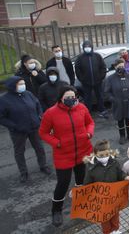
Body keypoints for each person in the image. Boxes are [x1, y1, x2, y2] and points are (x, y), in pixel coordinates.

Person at [39, 86, 94, 227]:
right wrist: (57, 143)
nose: (71, 99)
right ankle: (56, 211)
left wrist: (89, 133)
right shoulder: (51, 113)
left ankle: (81, 203)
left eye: (73, 96)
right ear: (61, 98)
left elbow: (90, 123)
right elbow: (43, 133)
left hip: (83, 151)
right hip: (63, 154)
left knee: (81, 180)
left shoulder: (82, 108)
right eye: (67, 97)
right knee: (62, 184)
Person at [0, 76, 50, 183]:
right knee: (19, 151)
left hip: (34, 127)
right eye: (20, 84)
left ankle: (43, 165)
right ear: (13, 85)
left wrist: (40, 116)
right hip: (18, 131)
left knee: (39, 147)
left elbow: (38, 105)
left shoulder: (28, 94)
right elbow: (2, 117)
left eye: (23, 83)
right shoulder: (4, 99)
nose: (23, 86)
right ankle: (23, 172)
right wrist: (14, 126)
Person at [83, 140, 126, 234]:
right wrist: (77, 192)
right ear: (95, 154)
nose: (105, 157)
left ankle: (115, 230)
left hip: (114, 197)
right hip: (101, 200)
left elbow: (120, 173)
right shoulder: (91, 168)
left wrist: (125, 177)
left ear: (109, 152)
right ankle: (107, 232)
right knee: (104, 218)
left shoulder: (114, 162)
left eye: (106, 154)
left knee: (115, 215)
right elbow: (87, 184)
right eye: (101, 155)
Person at [105, 59, 129, 144]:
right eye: (119, 67)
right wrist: (113, 100)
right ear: (115, 67)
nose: (121, 68)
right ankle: (122, 136)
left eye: (123, 66)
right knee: (120, 120)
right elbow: (107, 92)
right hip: (118, 103)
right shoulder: (110, 78)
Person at [74, 41, 108, 117]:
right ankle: (87, 112)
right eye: (85, 46)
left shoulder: (97, 56)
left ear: (92, 47)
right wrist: (82, 79)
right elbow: (77, 70)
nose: (87, 48)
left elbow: (103, 67)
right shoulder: (80, 58)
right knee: (87, 98)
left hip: (98, 81)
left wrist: (101, 77)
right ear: (83, 48)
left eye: (88, 46)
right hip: (86, 83)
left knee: (100, 96)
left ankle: (102, 110)